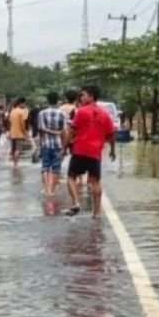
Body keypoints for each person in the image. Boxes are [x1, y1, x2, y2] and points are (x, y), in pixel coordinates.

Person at [65, 85, 116, 219]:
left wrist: (64, 148)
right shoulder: (105, 115)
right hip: (95, 152)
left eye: (83, 95)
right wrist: (113, 150)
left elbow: (71, 131)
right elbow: (111, 135)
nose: (81, 98)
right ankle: (97, 213)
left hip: (80, 150)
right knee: (95, 181)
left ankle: (76, 202)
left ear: (91, 96)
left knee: (71, 177)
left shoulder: (81, 112)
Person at [38, 92, 68, 196]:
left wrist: (39, 145)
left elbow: (41, 130)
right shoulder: (62, 114)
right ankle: (52, 190)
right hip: (58, 145)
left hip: (45, 144)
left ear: (47, 100)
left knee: (45, 167)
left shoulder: (42, 113)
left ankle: (47, 189)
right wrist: (64, 148)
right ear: (57, 101)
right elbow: (64, 132)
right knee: (56, 168)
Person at [8, 97, 29, 168]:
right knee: (18, 149)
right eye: (24, 104)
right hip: (19, 134)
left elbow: (10, 123)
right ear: (21, 103)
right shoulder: (21, 112)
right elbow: (22, 124)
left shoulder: (12, 111)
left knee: (13, 150)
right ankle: (16, 164)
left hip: (12, 133)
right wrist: (25, 133)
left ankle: (14, 163)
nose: (24, 105)